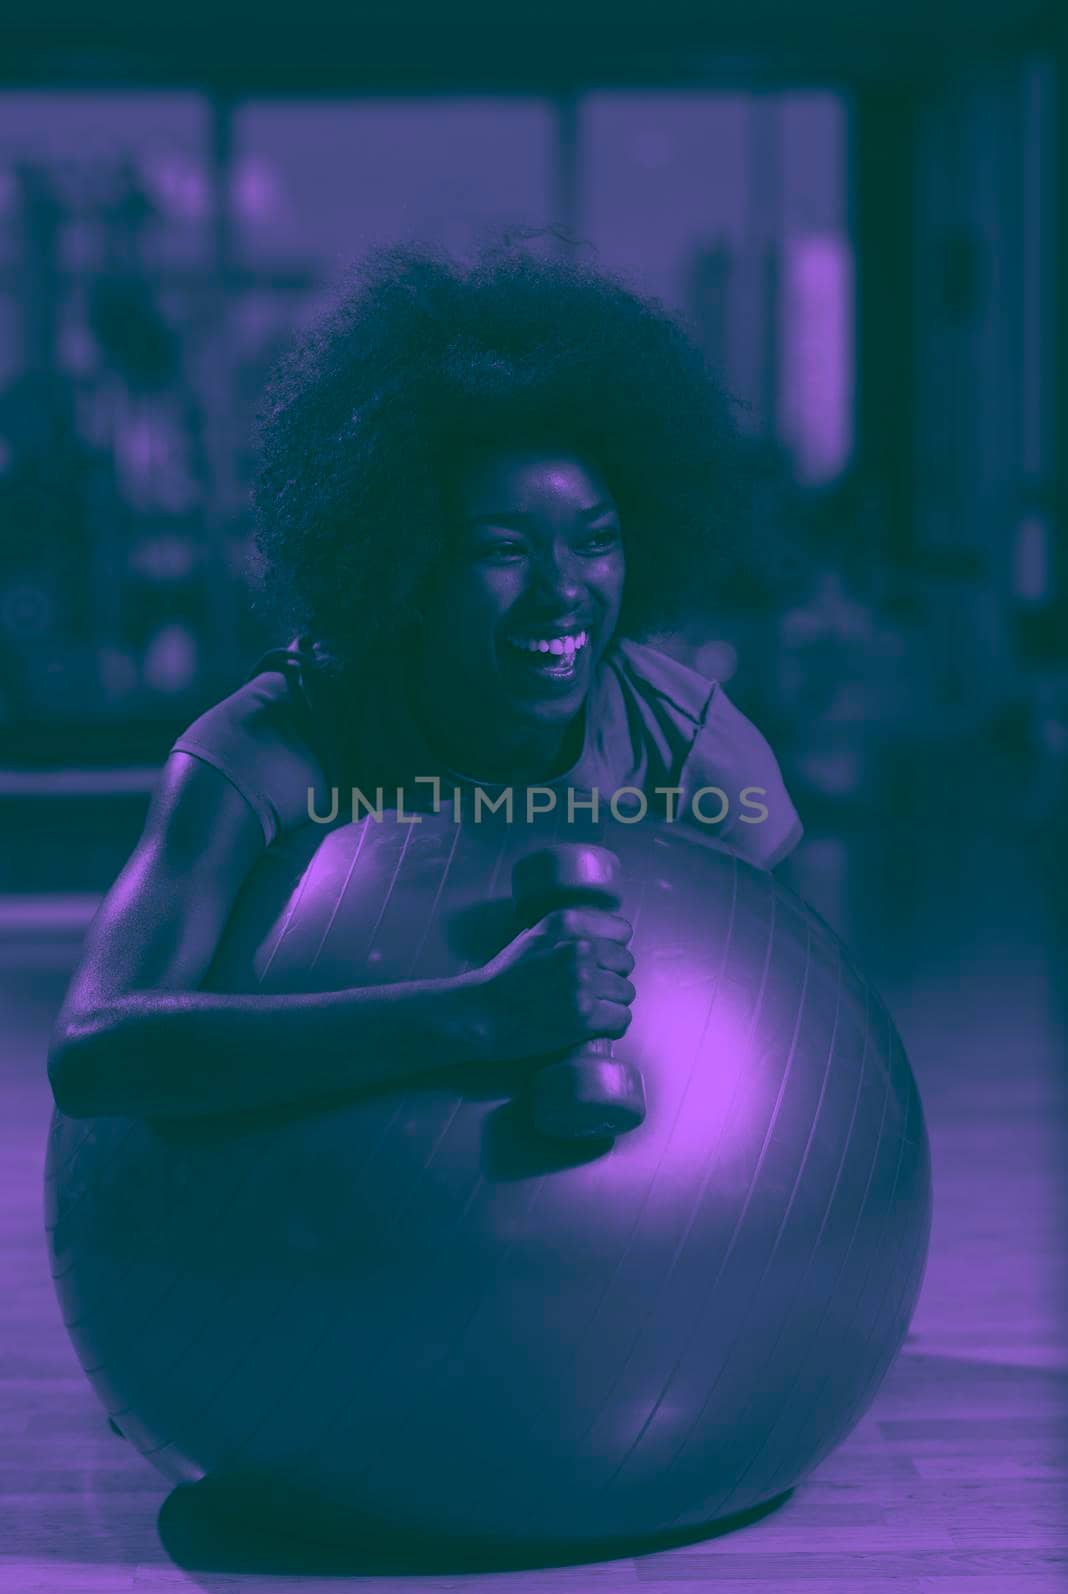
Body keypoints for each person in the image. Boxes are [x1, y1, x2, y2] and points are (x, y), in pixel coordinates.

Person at [47, 239, 803, 1124]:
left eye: (596, 541)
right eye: (504, 550)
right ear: (408, 564)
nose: (564, 591)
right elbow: (95, 1051)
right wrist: (469, 1019)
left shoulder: (693, 750)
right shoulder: (274, 746)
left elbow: (803, 1042)